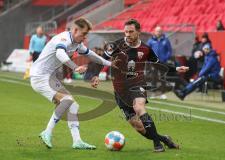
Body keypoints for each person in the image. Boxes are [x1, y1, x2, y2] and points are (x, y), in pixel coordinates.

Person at [94, 19, 189, 152]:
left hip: (137, 84)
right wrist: (96, 75)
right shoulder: (115, 45)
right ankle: (164, 139)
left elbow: (159, 64)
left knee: (139, 107)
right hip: (120, 90)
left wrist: (176, 69)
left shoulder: (145, 49)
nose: (128, 34)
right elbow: (101, 59)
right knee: (138, 126)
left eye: (131, 31)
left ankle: (157, 144)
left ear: (138, 31)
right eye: (126, 31)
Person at [30, 18, 116, 149]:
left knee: (73, 105)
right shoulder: (64, 38)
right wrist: (75, 67)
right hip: (39, 76)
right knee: (67, 101)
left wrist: (110, 63)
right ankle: (47, 132)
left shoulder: (77, 43)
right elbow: (60, 53)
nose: (85, 37)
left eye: (86, 35)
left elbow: (91, 55)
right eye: (83, 34)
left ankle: (77, 141)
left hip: (49, 77)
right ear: (75, 30)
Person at [147, 26, 173, 99]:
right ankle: (153, 93)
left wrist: (165, 58)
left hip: (163, 62)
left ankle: (162, 93)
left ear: (162, 32)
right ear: (154, 32)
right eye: (157, 31)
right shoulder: (151, 41)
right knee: (153, 77)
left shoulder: (166, 40)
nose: (158, 32)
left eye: (160, 31)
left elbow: (169, 51)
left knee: (162, 77)